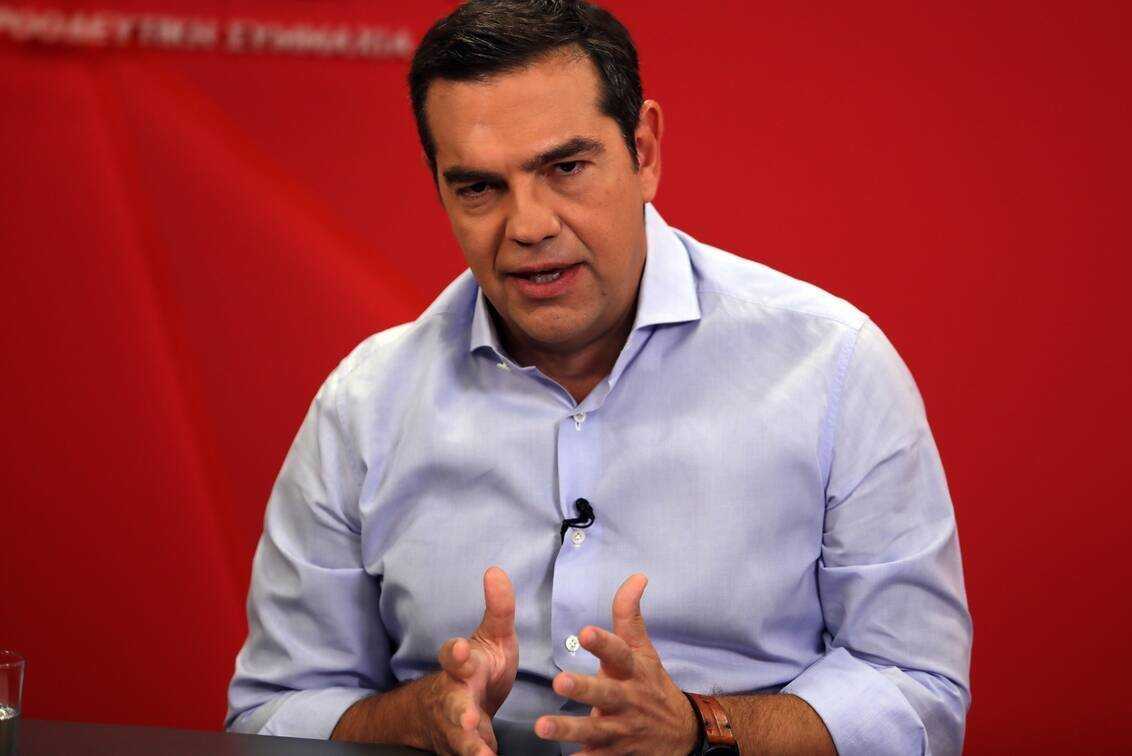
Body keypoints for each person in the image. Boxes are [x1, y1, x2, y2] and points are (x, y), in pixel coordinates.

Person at [224, 1, 972, 753]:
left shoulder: (833, 365)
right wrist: (410, 719)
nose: (528, 226)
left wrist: (701, 728)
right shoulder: (363, 405)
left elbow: (917, 691)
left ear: (643, 151)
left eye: (565, 168)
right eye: (479, 187)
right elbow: (272, 711)